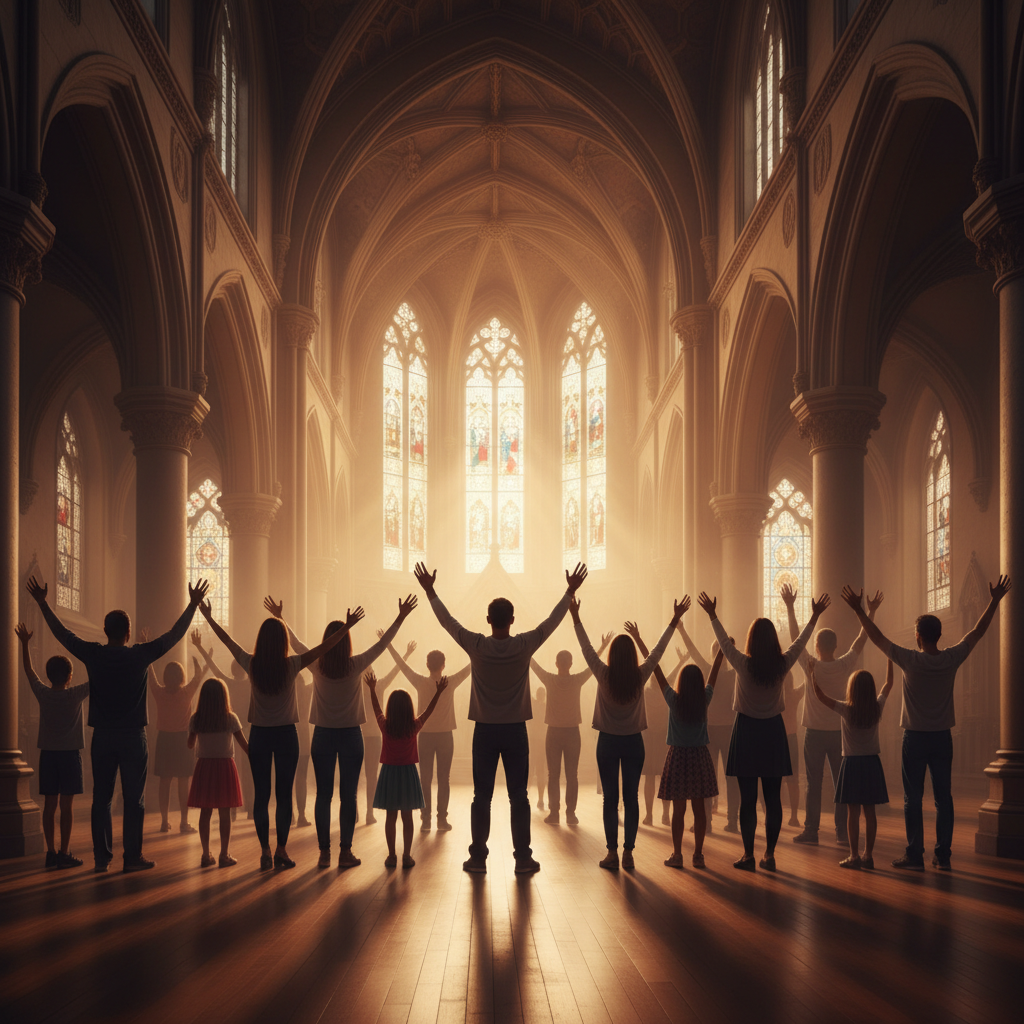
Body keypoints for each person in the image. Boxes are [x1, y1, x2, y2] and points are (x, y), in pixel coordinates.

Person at [414, 560, 589, 876]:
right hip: (515, 732)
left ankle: (478, 858)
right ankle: (522, 857)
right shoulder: (523, 645)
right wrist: (569, 591)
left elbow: (447, 622)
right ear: (511, 620)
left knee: (482, 797)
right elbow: (551, 622)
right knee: (518, 797)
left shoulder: (477, 645)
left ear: (488, 621)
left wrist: (430, 591)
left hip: (485, 731)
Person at [27, 575, 210, 873]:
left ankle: (102, 859)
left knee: (101, 799)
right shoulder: (140, 654)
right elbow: (174, 635)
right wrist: (192, 604)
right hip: (133, 737)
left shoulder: (94, 654)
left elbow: (63, 634)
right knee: (133, 800)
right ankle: (132, 857)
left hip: (103, 737)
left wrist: (43, 603)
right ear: (127, 634)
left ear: (105, 631)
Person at [841, 577, 1011, 871]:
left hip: (915, 739)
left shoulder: (910, 660)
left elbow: (878, 637)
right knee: (944, 799)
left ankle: (915, 855)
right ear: (938, 635)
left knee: (913, 798)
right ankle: (943, 856)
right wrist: (995, 601)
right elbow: (977, 632)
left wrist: (859, 610)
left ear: (918, 635)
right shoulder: (951, 658)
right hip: (942, 737)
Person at [198, 596, 370, 870]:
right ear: (283, 642)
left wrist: (208, 617)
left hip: (259, 736)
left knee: (261, 795)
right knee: (284, 795)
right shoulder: (292, 664)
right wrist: (346, 628)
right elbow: (322, 648)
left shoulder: (251, 663)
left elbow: (227, 641)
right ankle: (281, 850)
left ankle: (265, 852)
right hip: (286, 735)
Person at [262, 595, 415, 869]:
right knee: (349, 795)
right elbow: (382, 644)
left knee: (323, 795)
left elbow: (296, 644)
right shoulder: (355, 665)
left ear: (326, 641)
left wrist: (281, 618)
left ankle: (324, 853)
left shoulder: (317, 665)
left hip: (322, 734)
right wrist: (401, 616)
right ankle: (345, 852)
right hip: (351, 736)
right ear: (347, 642)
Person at [697, 588, 828, 872]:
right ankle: (769, 854)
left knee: (747, 800)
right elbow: (801, 641)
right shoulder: (782, 664)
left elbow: (722, 642)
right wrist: (814, 616)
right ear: (773, 641)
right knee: (772, 799)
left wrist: (712, 615)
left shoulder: (743, 664)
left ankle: (748, 855)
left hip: (745, 732)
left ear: (750, 641)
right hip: (773, 732)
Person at [571, 597, 685, 870]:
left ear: (611, 655)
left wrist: (575, 615)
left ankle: (611, 852)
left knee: (610, 798)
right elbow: (657, 651)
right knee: (631, 798)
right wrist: (674, 620)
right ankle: (629, 853)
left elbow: (586, 648)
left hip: (608, 742)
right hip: (635, 742)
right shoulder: (640, 674)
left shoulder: (602, 673)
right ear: (633, 655)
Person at [781, 583, 882, 846]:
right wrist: (869, 612)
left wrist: (791, 607)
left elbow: (795, 639)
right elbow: (862, 640)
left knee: (813, 785)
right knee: (841, 784)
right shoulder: (844, 663)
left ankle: (812, 831)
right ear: (836, 646)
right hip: (840, 734)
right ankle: (840, 832)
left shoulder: (810, 664)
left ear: (816, 645)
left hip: (813, 733)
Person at [629, 622, 725, 869]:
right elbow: (714, 672)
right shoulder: (704, 699)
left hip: (678, 757)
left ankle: (678, 854)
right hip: (700, 757)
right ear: (699, 683)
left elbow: (656, 669)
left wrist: (639, 639)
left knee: (679, 810)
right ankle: (699, 855)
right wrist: (722, 651)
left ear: (681, 682)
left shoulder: (673, 699)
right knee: (700, 810)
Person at [15, 622, 89, 869]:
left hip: (48, 755)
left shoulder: (43, 694)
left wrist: (25, 644)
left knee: (49, 804)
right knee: (67, 807)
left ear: (49, 675)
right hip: (70, 756)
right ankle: (65, 852)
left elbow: (28, 670)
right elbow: (96, 681)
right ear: (70, 677)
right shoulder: (75, 694)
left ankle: (50, 851)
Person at [809, 658, 894, 868]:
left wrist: (812, 674)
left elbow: (820, 696)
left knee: (853, 813)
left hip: (852, 764)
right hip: (872, 763)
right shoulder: (877, 707)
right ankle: (868, 855)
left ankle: (854, 856)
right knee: (870, 812)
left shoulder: (846, 708)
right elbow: (888, 684)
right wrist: (890, 659)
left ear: (852, 689)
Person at [383, 635, 470, 832]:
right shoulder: (450, 681)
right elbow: (469, 668)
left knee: (425, 778)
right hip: (445, 736)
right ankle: (441, 819)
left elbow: (402, 665)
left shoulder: (420, 681)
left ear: (427, 664)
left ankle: (426, 820)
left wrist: (388, 644)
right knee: (443, 778)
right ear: (443, 665)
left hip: (424, 736)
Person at [365, 668, 447, 867]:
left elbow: (376, 709)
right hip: (408, 773)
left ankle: (392, 855)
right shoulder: (413, 726)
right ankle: (407, 856)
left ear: (390, 709)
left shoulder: (386, 726)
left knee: (391, 817)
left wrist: (372, 689)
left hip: (389, 773)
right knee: (408, 817)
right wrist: (438, 692)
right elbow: (428, 712)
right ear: (409, 708)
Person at [529, 636, 611, 825]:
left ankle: (555, 813)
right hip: (573, 733)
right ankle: (571, 814)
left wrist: (527, 649)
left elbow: (534, 665)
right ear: (571, 663)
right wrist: (603, 646)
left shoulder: (549, 679)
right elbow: (592, 665)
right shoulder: (576, 680)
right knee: (572, 775)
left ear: (556, 664)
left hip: (553, 733)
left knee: (553, 775)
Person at [677, 618, 740, 833]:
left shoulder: (710, 669)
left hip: (711, 731)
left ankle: (707, 823)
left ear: (714, 653)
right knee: (731, 779)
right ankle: (732, 821)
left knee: (706, 779)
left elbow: (693, 652)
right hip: (729, 731)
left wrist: (682, 629)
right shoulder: (736, 673)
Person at [187, 678, 249, 867]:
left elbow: (190, 745)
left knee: (205, 812)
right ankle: (224, 854)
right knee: (225, 812)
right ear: (224, 697)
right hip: (224, 767)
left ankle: (206, 855)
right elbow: (245, 746)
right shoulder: (231, 718)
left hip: (204, 767)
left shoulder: (196, 719)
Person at [190, 632, 253, 820]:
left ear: (233, 670)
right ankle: (249, 808)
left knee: (234, 772)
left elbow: (214, 669)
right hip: (244, 729)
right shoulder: (252, 685)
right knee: (247, 773)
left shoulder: (229, 684)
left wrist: (201, 648)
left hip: (225, 729)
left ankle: (232, 809)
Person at [146, 633, 202, 835]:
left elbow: (150, 675)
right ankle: (184, 822)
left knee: (164, 781)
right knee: (183, 781)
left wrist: (147, 651)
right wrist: (197, 657)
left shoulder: (159, 693)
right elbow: (198, 677)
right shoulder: (186, 693)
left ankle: (164, 821)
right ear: (181, 678)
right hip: (183, 740)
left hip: (164, 740)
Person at [642, 650, 685, 827]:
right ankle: (666, 815)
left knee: (649, 778)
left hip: (648, 737)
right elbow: (672, 675)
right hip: (664, 737)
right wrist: (682, 660)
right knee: (666, 778)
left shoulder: (644, 691)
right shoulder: (665, 691)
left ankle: (650, 815)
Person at [361, 661, 401, 824]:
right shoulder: (378, 685)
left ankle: (364, 811)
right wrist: (405, 655)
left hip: (362, 735)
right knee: (370, 776)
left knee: (364, 775)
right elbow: (394, 672)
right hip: (370, 736)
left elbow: (393, 672)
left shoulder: (357, 688)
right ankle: (368, 813)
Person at [527, 687, 547, 810]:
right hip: (540, 742)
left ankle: (527, 795)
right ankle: (540, 799)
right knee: (540, 772)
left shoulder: (533, 705)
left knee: (531, 770)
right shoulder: (546, 707)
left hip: (533, 742)